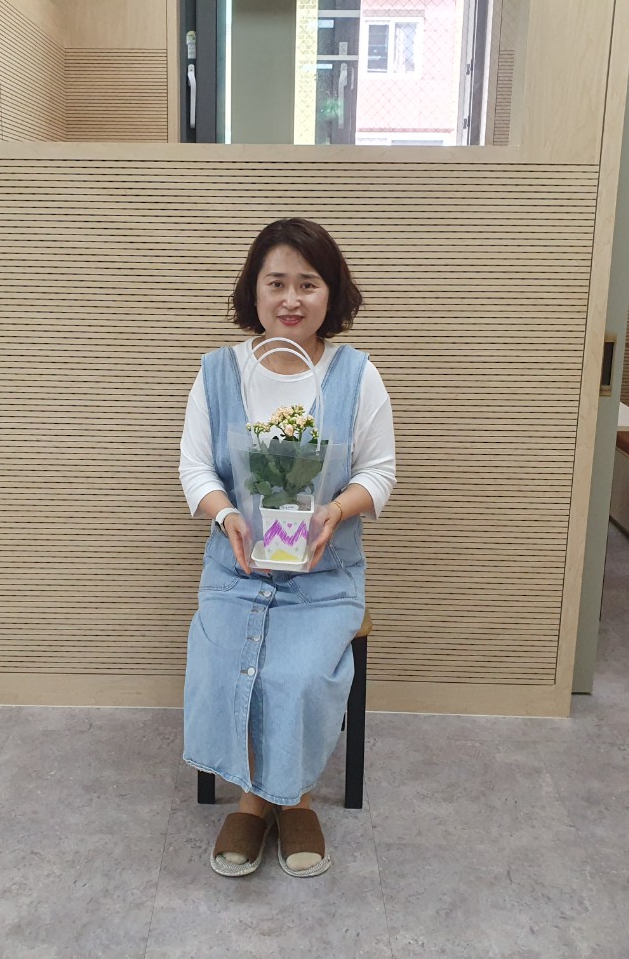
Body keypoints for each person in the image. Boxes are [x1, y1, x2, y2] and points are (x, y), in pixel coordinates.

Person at [179, 218, 397, 877]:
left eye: (308, 283)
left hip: (323, 573)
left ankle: (288, 798)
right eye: (276, 283)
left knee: (296, 675)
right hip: (238, 568)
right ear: (254, 290)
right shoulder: (219, 373)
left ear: (332, 293)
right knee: (227, 665)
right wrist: (225, 515)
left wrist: (336, 509)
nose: (291, 299)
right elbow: (195, 468)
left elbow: (379, 472)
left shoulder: (357, 375)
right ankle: (257, 801)